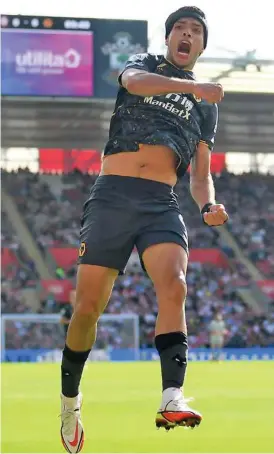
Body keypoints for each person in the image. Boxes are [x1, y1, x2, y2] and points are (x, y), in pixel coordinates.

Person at [60, 6, 229, 452]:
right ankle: (69, 402)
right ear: (170, 38)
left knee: (175, 285)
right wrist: (193, 88)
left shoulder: (205, 110)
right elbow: (133, 84)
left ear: (202, 45)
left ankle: (172, 395)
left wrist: (208, 203)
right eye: (179, 28)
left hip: (160, 203)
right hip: (113, 195)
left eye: (195, 31)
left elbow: (199, 175)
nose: (186, 34)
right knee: (87, 310)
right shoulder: (147, 65)